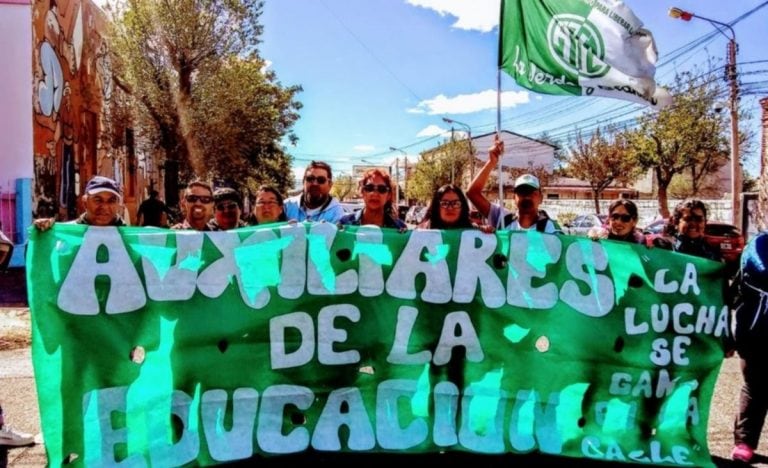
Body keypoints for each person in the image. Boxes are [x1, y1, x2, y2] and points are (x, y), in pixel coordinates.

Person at [467, 138, 560, 233]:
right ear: (513, 197)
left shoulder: (551, 229)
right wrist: (492, 162)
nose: (527, 196)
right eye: (522, 192)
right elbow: (472, 193)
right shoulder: (502, 219)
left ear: (541, 198)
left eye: (532, 192)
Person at [730, 232, 768, 463]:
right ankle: (745, 442)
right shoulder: (760, 242)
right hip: (757, 330)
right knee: (755, 387)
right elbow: (761, 270)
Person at [34, 175, 126, 230]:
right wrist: (42, 235)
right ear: (85, 203)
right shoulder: (68, 234)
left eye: (111, 201)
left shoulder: (132, 240)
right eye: (98, 200)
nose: (105, 206)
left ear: (118, 204)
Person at [338, 168, 405, 229]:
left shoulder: (399, 228)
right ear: (362, 192)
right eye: (369, 188)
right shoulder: (345, 224)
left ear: (389, 195)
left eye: (382, 189)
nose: (374, 194)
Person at [419, 184, 493, 233]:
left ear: (463, 208)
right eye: (444, 203)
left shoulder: (474, 232)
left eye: (456, 203)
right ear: (436, 207)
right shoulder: (421, 232)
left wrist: (487, 233)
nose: (450, 208)